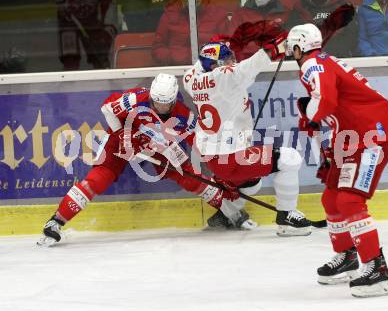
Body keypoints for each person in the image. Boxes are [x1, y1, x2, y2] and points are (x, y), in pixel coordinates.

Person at [37, 73, 254, 247]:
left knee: (187, 175)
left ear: (173, 100)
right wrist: (120, 131)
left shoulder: (183, 117)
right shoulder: (135, 98)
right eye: (155, 102)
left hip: (159, 143)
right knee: (98, 179)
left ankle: (231, 211)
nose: (157, 107)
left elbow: (201, 145)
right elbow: (107, 108)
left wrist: (221, 172)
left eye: (163, 104)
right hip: (123, 137)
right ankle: (56, 221)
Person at [285, 23, 388, 297]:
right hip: (353, 137)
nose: (291, 53)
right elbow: (334, 104)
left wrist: (311, 115)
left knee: (349, 200)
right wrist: (321, 132)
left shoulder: (312, 65)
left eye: (292, 48)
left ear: (299, 47)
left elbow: (324, 101)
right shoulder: (323, 61)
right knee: (331, 198)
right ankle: (348, 256)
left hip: (372, 136)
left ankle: (377, 269)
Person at [182, 37, 313, 237]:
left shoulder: (191, 79)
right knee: (290, 158)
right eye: (226, 60)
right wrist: (273, 49)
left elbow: (204, 63)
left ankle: (227, 213)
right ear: (216, 66)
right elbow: (249, 67)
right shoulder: (225, 77)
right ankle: (287, 217)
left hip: (215, 157)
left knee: (252, 182)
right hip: (232, 158)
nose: (230, 62)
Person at [152, 0, 230, 66]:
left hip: (209, 72)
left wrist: (208, 61)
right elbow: (157, 48)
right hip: (177, 70)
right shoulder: (170, 15)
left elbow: (227, 45)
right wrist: (174, 58)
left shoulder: (217, 15)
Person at [46, 0, 116, 70]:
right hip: (68, 22)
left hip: (91, 23)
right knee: (70, 56)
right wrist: (60, 2)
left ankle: (101, 71)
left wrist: (105, 28)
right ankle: (69, 78)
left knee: (98, 54)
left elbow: (107, 7)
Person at [286, 0, 358, 57]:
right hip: (308, 59)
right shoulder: (299, 8)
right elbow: (292, 34)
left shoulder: (344, 8)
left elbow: (351, 36)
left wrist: (327, 53)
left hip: (337, 58)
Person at [226, 0, 290, 61]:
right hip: (247, 64)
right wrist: (243, 64)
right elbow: (233, 43)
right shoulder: (240, 14)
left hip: (277, 64)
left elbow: (289, 42)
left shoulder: (285, 14)